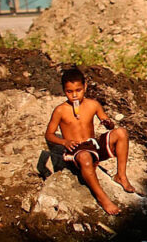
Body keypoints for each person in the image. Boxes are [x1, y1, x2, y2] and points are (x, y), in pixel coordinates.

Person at [45, 68, 134, 215]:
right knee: (85, 157)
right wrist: (64, 142)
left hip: (93, 145)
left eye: (78, 90)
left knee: (121, 133)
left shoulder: (93, 105)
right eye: (69, 91)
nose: (74, 95)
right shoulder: (60, 110)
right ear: (63, 90)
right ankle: (102, 197)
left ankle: (121, 176)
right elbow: (49, 134)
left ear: (85, 87)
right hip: (76, 150)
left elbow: (106, 121)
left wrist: (108, 124)